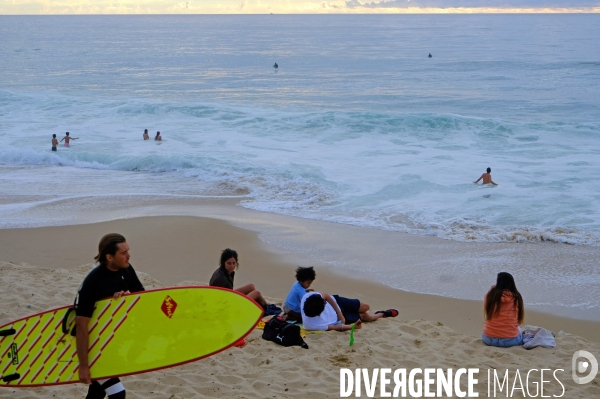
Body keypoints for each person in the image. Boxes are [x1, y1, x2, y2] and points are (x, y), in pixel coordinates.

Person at [75, 233, 145, 398]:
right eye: (123, 252)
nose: (129, 255)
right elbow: (81, 324)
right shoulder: (93, 282)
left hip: (111, 345)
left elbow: (142, 299)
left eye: (128, 250)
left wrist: (125, 299)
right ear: (109, 257)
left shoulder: (126, 270)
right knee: (118, 394)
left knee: (96, 393)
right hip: (94, 347)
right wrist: (84, 366)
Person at [301, 291, 398, 332]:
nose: (325, 303)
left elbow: (326, 296)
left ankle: (378, 313)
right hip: (339, 319)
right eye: (324, 304)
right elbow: (335, 327)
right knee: (365, 316)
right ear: (319, 312)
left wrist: (339, 313)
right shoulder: (311, 325)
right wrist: (353, 327)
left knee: (366, 306)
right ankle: (382, 314)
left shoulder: (307, 297)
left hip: (337, 302)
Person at [482, 272, 524, 348]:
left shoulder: (489, 296)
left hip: (488, 339)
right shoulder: (517, 298)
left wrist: (493, 289)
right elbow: (519, 321)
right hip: (510, 341)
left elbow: (487, 312)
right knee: (520, 330)